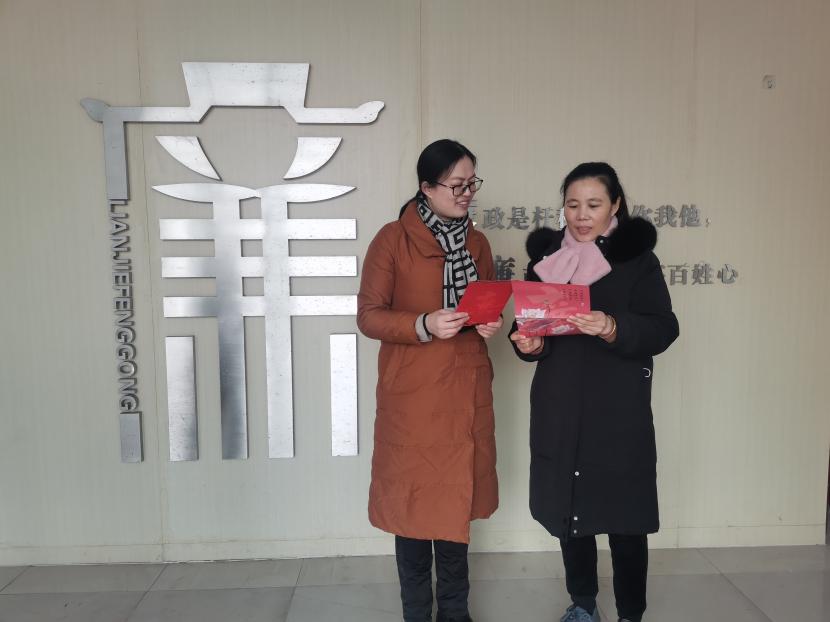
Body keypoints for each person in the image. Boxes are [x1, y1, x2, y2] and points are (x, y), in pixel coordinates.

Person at [510, 162, 679, 622]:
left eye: (593, 204)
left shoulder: (637, 259)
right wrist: (527, 344)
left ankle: (630, 613)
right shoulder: (546, 261)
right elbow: (527, 326)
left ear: (615, 206)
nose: (581, 215)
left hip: (617, 412)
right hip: (560, 405)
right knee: (571, 514)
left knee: (626, 519)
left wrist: (612, 326)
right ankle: (583, 604)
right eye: (572, 205)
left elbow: (664, 328)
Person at [357, 139, 502, 622]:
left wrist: (488, 323)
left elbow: (483, 302)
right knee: (415, 511)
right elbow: (369, 316)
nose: (467, 193)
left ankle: (456, 614)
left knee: (455, 507)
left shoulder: (477, 243)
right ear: (426, 187)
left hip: (464, 389)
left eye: (471, 183)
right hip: (414, 398)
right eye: (457, 185)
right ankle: (417, 614)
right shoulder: (391, 240)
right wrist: (423, 323)